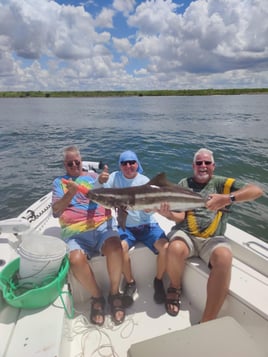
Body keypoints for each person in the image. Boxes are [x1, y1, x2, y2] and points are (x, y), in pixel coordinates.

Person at [158, 148, 263, 322]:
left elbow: (256, 191)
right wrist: (166, 214)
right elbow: (179, 217)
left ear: (213, 166)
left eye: (207, 163)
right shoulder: (184, 183)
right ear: (193, 166)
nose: (203, 166)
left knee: (224, 257)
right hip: (186, 235)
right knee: (174, 248)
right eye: (199, 163)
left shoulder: (222, 183)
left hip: (214, 239)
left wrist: (227, 198)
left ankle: (208, 319)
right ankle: (175, 287)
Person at [52, 146, 125, 326]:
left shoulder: (93, 177)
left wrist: (101, 182)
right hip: (75, 232)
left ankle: (114, 293)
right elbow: (55, 212)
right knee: (75, 260)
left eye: (77, 162)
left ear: (81, 161)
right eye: (70, 163)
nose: (75, 165)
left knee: (116, 247)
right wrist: (72, 191)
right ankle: (97, 297)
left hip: (101, 226)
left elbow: (106, 197)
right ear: (65, 165)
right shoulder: (59, 182)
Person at [104, 150, 169, 307]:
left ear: (137, 164)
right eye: (124, 163)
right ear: (120, 166)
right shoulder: (114, 177)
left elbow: (154, 204)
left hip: (148, 225)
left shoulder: (145, 180)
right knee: (120, 249)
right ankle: (130, 282)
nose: (128, 166)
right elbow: (103, 190)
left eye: (132, 162)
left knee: (166, 248)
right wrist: (99, 180)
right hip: (126, 227)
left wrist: (151, 209)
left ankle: (158, 280)